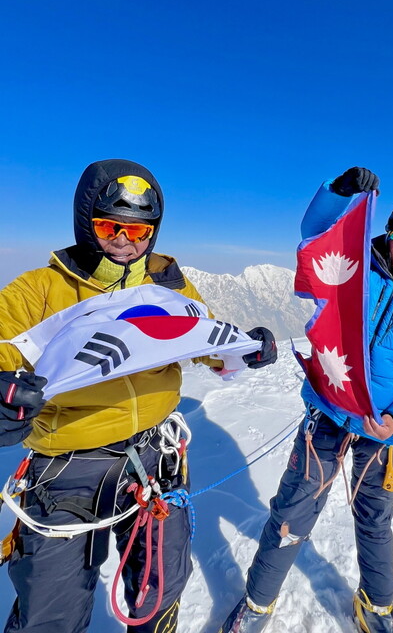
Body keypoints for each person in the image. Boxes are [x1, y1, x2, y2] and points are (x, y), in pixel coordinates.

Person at [0, 158, 277, 633]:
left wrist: (241, 349)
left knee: (160, 584)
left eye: (140, 231)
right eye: (111, 226)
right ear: (86, 223)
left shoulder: (167, 285)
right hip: (67, 466)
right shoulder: (42, 289)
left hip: (153, 457)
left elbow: (198, 336)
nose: (126, 241)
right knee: (49, 608)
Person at [219, 166, 393, 633]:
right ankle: (258, 603)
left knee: (375, 518)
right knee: (293, 510)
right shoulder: (351, 271)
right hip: (328, 411)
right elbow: (316, 234)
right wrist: (340, 192)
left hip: (380, 426)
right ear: (389, 235)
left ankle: (377, 606)